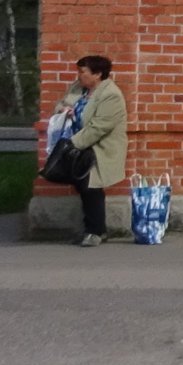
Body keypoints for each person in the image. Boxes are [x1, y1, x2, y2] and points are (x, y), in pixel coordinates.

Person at [62, 56, 127, 247]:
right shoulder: (78, 89)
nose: (79, 75)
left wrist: (73, 143)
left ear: (98, 74)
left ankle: (95, 231)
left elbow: (100, 127)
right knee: (83, 187)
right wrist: (65, 110)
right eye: (79, 71)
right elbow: (62, 104)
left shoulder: (110, 94)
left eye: (83, 72)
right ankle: (93, 229)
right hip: (79, 147)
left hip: (98, 148)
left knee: (91, 189)